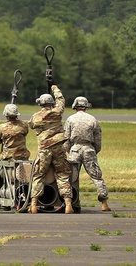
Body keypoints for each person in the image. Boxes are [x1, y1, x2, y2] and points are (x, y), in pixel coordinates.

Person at [27, 84, 74, 214]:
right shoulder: (57, 111)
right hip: (59, 147)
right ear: (52, 103)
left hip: (44, 150)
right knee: (63, 175)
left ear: (40, 104)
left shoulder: (36, 117)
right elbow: (61, 99)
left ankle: (34, 204)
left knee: (38, 175)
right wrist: (55, 88)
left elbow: (30, 125)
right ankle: (68, 204)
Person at [65, 96, 111, 211]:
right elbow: (98, 138)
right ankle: (104, 202)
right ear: (86, 106)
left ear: (75, 105)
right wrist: (94, 150)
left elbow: (66, 138)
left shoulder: (70, 119)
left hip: (75, 149)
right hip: (89, 149)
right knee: (96, 176)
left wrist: (69, 150)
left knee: (72, 178)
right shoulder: (92, 119)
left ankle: (71, 204)